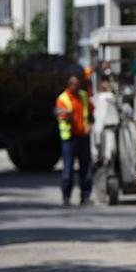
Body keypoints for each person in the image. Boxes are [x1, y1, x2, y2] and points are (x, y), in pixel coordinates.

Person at [55, 75, 94, 206]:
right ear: (69, 85)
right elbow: (61, 115)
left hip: (83, 137)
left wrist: (89, 124)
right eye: (74, 86)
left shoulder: (83, 96)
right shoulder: (62, 99)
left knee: (86, 168)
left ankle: (86, 196)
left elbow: (91, 111)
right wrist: (67, 117)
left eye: (78, 85)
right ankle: (66, 197)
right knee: (68, 170)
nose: (77, 88)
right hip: (70, 139)